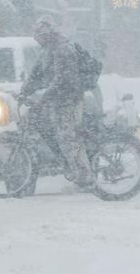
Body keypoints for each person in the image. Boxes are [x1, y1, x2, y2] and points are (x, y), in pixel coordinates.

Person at [19, 17, 95, 187]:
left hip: (70, 99)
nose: (37, 41)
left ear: (48, 34)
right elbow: (36, 74)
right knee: (49, 128)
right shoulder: (47, 50)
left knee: (68, 137)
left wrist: (42, 99)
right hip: (58, 99)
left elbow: (60, 80)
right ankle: (69, 165)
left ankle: (85, 175)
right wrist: (24, 91)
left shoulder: (63, 49)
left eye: (39, 37)